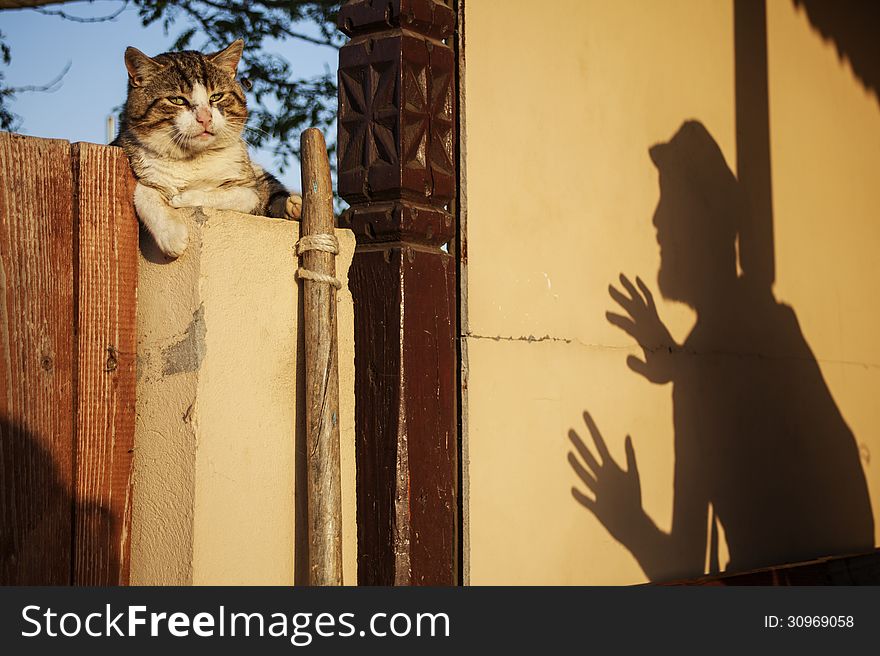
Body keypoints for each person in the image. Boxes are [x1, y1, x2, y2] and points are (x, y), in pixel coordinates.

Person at [568, 121, 874, 581]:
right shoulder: (771, 323)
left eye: (669, 198)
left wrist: (628, 520)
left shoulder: (708, 367)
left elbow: (685, 568)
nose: (656, 220)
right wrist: (680, 365)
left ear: (705, 219)